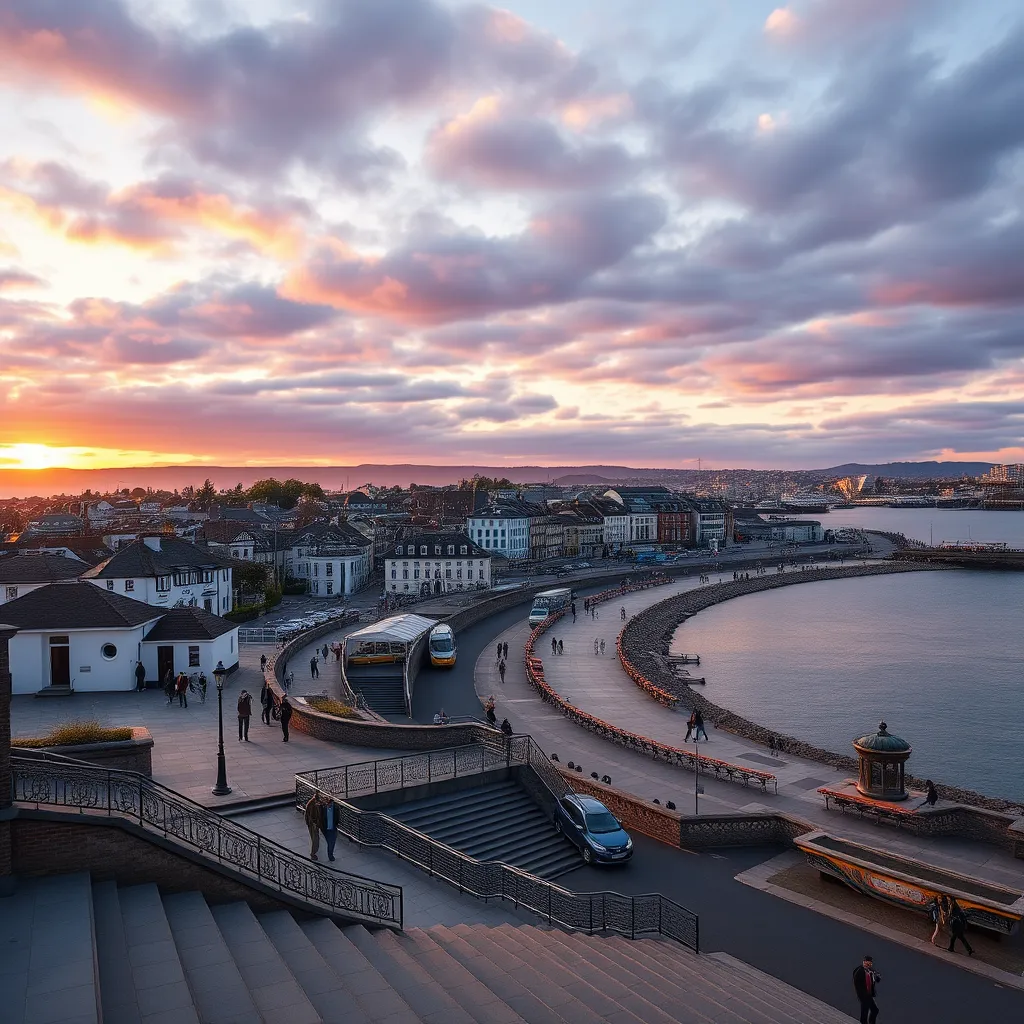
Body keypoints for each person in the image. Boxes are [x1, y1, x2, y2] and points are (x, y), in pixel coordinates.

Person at [852, 955, 880, 1024]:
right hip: (863, 995)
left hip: (869, 994)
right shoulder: (859, 971)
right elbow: (856, 984)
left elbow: (876, 979)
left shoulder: (870, 970)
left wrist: (877, 977)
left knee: (875, 1010)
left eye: (870, 964)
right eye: (867, 963)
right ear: (863, 962)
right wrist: (862, 995)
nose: (868, 965)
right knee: (865, 1010)